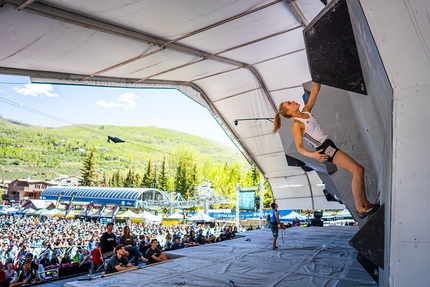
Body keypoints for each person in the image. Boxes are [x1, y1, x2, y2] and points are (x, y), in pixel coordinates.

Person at [272, 82, 378, 219]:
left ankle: (366, 204)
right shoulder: (296, 124)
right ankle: (360, 208)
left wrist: (318, 76)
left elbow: (315, 91)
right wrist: (313, 155)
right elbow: (299, 147)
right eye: (289, 103)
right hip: (324, 149)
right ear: (289, 111)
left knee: (359, 170)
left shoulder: (306, 111)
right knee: (357, 170)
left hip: (329, 145)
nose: (292, 101)